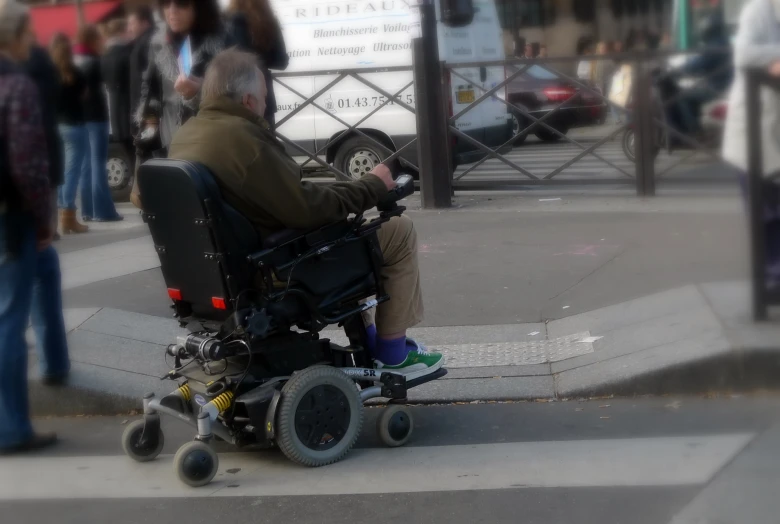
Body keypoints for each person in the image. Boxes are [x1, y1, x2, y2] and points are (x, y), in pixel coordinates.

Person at [168, 49, 444, 378]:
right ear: (247, 100)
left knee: (348, 231)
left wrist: (356, 189)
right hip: (277, 268)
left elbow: (142, 195)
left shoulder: (185, 136)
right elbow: (306, 208)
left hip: (223, 272)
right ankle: (392, 354)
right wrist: (372, 188)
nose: (265, 106)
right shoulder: (244, 140)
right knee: (397, 230)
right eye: (264, 98)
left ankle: (370, 341)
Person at [0, 0, 60, 454]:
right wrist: (43, 218)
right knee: (9, 321)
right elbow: (28, 162)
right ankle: (12, 427)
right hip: (10, 217)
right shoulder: (15, 85)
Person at [133, 0, 231, 207]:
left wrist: (199, 91)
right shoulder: (159, 42)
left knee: (208, 209)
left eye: (182, 4)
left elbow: (235, 96)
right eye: (166, 4)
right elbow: (150, 95)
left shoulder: (221, 41)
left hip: (210, 142)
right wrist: (145, 144)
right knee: (174, 215)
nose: (172, 11)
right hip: (171, 140)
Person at [723, 0, 780, 287]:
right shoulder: (762, 9)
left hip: (772, 129)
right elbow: (744, 53)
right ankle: (773, 278)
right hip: (755, 132)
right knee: (766, 211)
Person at [74, 24, 122, 222]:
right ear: (93, 40)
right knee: (98, 164)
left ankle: (86, 210)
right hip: (96, 116)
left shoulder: (74, 60)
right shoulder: (95, 62)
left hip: (79, 117)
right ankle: (103, 211)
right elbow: (111, 82)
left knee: (86, 165)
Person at [227, 0, 289, 130]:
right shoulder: (268, 21)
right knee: (264, 145)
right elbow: (281, 61)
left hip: (233, 97)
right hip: (262, 97)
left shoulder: (226, 21)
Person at [50, 33, 89, 234]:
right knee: (72, 172)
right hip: (75, 124)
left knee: (62, 170)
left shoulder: (50, 73)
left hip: (57, 126)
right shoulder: (75, 72)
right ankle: (68, 215)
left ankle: (61, 215)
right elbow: (84, 95)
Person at [23, 43, 62, 238]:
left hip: (24, 131)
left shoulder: (14, 70)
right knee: (50, 180)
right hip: (47, 126)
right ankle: (50, 226)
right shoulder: (44, 63)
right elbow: (56, 91)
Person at [127, 6, 155, 209]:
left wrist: (146, 112)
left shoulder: (148, 43)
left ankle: (143, 194)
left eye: (132, 23)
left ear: (144, 22)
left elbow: (148, 81)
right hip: (143, 109)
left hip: (146, 110)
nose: (129, 27)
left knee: (146, 150)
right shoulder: (142, 42)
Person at [101, 18, 133, 184]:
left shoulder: (105, 56)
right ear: (122, 32)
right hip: (130, 109)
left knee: (127, 150)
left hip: (115, 112)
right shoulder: (127, 54)